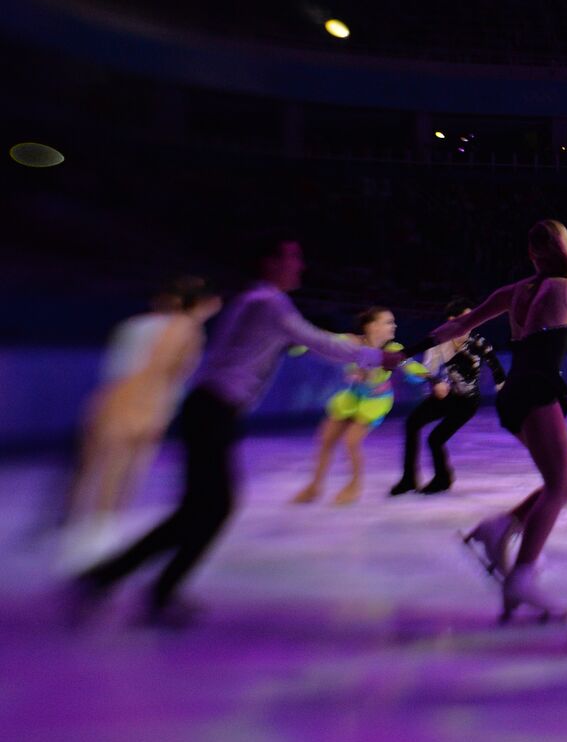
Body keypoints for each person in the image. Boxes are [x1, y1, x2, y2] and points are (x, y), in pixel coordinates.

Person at [68, 237, 396, 627]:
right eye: (293, 259)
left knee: (200, 508)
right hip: (212, 411)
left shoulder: (260, 301)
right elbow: (317, 340)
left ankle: (120, 581)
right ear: (268, 262)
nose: (300, 268)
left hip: (213, 411)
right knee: (212, 507)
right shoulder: (267, 303)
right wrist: (378, 356)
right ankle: (139, 586)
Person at [397, 220, 567, 622]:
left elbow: (457, 325)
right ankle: (522, 575)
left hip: (516, 394)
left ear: (532, 255)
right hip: (536, 390)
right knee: (561, 484)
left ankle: (499, 528)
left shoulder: (513, 292)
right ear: (566, 247)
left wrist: (407, 352)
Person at [64, 277, 222, 564]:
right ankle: (99, 530)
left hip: (116, 398)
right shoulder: (187, 329)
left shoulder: (137, 325)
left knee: (98, 466)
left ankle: (85, 527)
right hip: (141, 402)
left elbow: (120, 368)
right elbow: (170, 373)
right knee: (123, 467)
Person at [291, 307, 428, 506]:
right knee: (326, 439)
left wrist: (430, 378)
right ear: (372, 325)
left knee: (351, 441)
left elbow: (412, 367)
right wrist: (300, 343)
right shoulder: (351, 342)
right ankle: (314, 486)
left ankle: (354, 485)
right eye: (388, 322)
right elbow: (324, 340)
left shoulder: (393, 349)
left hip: (375, 401)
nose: (394, 325)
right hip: (352, 396)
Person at [389, 298, 506, 496]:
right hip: (448, 397)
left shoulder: (478, 343)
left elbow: (498, 373)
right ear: (452, 320)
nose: (473, 321)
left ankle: (442, 479)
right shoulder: (439, 342)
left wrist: (506, 400)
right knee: (412, 423)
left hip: (468, 402)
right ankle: (409, 478)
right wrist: (435, 382)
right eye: (468, 317)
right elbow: (428, 370)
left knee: (435, 439)